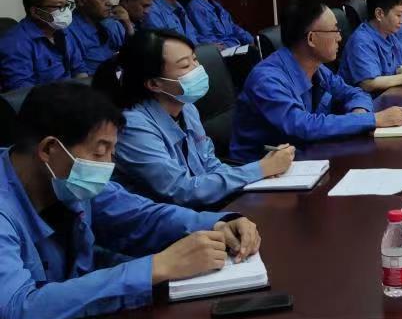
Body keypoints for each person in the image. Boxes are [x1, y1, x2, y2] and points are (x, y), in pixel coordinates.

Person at [0, 82, 260, 319]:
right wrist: (155, 268)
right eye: (99, 153)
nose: (107, 165)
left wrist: (218, 223)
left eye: (112, 152)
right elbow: (20, 312)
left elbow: (141, 216)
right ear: (49, 149)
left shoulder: (65, 179)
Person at [96, 30, 296, 208]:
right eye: (185, 65)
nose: (198, 68)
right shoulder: (133, 127)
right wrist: (259, 169)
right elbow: (180, 190)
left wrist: (260, 174)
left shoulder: (187, 108)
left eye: (195, 59)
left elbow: (210, 165)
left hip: (203, 206)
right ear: (154, 84)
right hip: (168, 221)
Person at [231, 0, 402, 161]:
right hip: (263, 171)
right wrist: (373, 119)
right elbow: (303, 126)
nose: (340, 37)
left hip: (308, 156)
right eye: (335, 30)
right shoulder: (267, 79)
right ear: (311, 38)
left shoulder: (317, 68)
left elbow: (355, 92)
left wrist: (360, 114)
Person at [0, 0, 89, 91]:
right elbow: (22, 90)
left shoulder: (63, 31)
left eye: (67, 5)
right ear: (36, 11)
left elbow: (79, 68)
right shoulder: (15, 43)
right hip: (42, 99)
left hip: (71, 94)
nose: (66, 11)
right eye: (59, 6)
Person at [338, 0, 402, 92]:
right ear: (379, 14)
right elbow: (369, 83)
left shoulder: (390, 35)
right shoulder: (361, 41)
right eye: (398, 15)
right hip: (368, 100)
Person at [67, 0, 129, 75]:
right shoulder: (69, 31)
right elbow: (79, 73)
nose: (109, 3)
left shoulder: (110, 22)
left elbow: (132, 52)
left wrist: (127, 24)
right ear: (81, 0)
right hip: (95, 81)